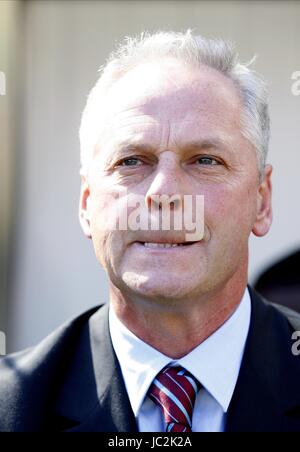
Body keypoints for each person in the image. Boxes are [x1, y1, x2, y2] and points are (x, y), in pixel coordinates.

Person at [1, 30, 300, 433]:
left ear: (261, 201)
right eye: (131, 161)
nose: (163, 193)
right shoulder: (10, 407)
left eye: (205, 160)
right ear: (87, 204)